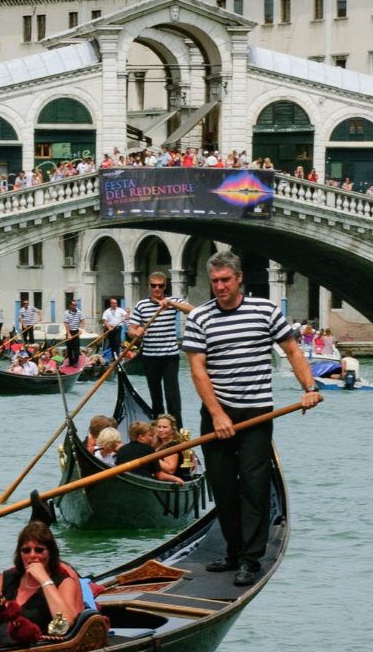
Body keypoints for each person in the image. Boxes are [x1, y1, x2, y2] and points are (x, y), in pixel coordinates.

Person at [184, 251, 320, 587]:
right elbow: (198, 369)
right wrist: (217, 415)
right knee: (224, 487)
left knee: (255, 488)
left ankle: (249, 559)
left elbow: (291, 350)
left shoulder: (265, 311)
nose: (220, 287)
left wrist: (310, 387)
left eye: (225, 280)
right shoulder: (199, 317)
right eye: (215, 281)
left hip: (257, 414)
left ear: (239, 277)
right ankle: (232, 550)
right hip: (218, 414)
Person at [0, 503, 85, 645]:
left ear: (50, 553)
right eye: (26, 550)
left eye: (39, 550)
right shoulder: (6, 579)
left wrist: (43, 579)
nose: (32, 555)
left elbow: (66, 621)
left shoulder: (64, 583)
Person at [128, 270, 193, 425]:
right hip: (150, 357)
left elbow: (192, 310)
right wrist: (137, 332)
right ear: (149, 286)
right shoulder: (142, 305)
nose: (157, 289)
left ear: (165, 286)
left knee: (173, 397)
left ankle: (177, 433)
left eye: (160, 286)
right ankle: (159, 430)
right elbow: (131, 330)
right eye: (154, 285)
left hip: (170, 356)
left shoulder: (173, 302)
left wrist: (170, 303)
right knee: (156, 397)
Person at [63, 297, 85, 365]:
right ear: (70, 305)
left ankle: (75, 362)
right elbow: (66, 324)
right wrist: (69, 334)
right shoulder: (66, 313)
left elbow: (82, 321)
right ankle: (70, 361)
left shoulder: (79, 312)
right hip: (69, 331)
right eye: (73, 305)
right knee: (69, 348)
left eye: (75, 305)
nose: (74, 306)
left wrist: (81, 329)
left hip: (76, 332)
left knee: (76, 348)